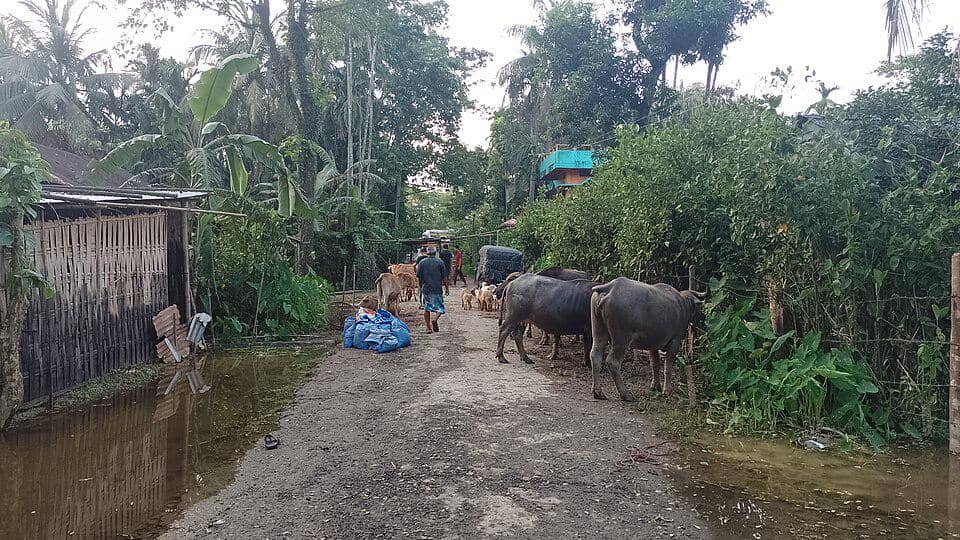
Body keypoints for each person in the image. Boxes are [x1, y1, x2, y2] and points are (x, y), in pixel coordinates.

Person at [416, 246, 448, 333]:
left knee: (427, 308)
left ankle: (428, 328)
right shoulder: (440, 262)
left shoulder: (422, 263)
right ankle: (435, 319)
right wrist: (447, 287)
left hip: (426, 288)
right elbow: (444, 277)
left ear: (427, 253)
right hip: (437, 288)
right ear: (435, 253)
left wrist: (421, 287)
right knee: (440, 308)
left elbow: (418, 276)